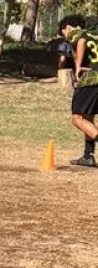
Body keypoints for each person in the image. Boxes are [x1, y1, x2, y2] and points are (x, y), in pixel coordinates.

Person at [59, 15, 98, 167]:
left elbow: (80, 41)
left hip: (91, 79)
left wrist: (78, 66)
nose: (65, 37)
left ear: (67, 27)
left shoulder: (75, 33)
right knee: (87, 118)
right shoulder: (93, 35)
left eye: (63, 32)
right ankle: (88, 156)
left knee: (77, 118)